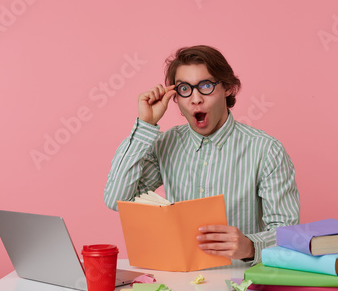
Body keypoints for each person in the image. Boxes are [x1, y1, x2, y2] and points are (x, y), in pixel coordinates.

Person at [104, 45, 300, 264]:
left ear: (227, 88)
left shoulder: (266, 150)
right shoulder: (165, 144)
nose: (195, 99)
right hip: (179, 280)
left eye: (206, 85)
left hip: (240, 283)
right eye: (184, 88)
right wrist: (145, 125)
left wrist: (250, 246)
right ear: (175, 96)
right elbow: (117, 200)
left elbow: (288, 235)